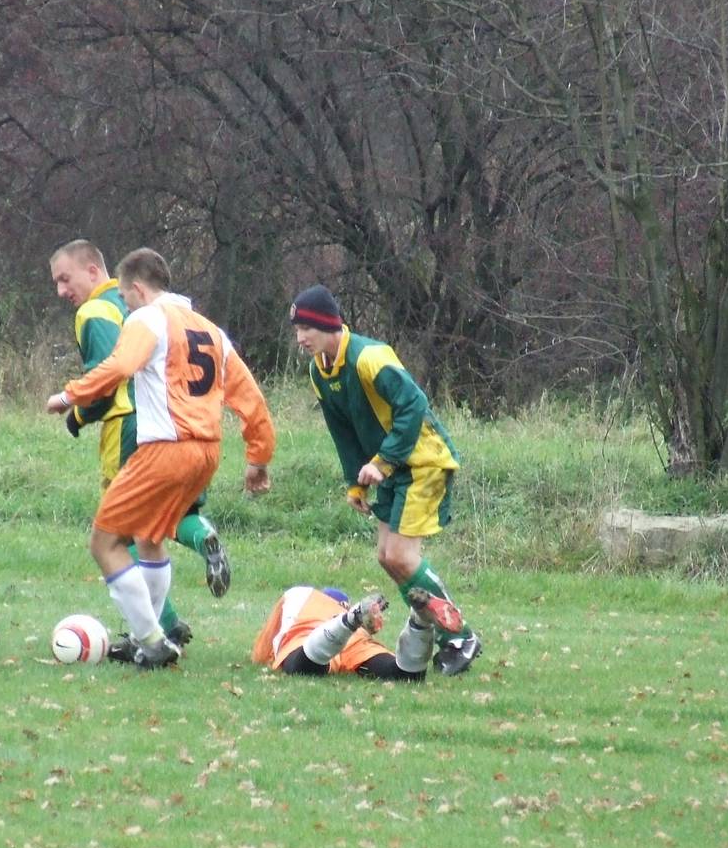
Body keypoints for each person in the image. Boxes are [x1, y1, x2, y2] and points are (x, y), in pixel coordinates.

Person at [48, 248, 275, 668]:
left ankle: (151, 641)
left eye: (124, 298)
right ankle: (151, 636)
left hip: (164, 449)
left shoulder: (148, 319)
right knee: (149, 538)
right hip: (206, 453)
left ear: (137, 288)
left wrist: (69, 396)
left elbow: (120, 366)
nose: (125, 307)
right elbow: (250, 398)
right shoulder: (211, 331)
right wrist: (258, 457)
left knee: (105, 543)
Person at [289, 284, 481, 675]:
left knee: (401, 557)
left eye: (306, 328)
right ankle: (442, 632)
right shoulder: (318, 371)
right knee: (386, 557)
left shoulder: (369, 357)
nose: (300, 338)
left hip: (423, 461)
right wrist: (355, 482)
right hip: (392, 468)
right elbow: (343, 432)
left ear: (328, 324)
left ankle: (460, 636)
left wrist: (385, 460)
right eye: (296, 330)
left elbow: (414, 404)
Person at [250, 586, 465, 681]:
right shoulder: (361, 633)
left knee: (301, 667)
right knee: (405, 675)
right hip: (356, 639)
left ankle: (348, 620)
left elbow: (261, 653)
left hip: (314, 627)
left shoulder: (307, 597)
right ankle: (420, 621)